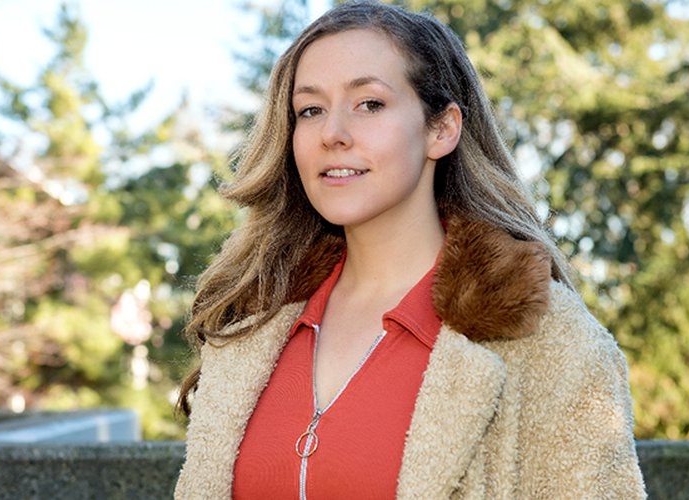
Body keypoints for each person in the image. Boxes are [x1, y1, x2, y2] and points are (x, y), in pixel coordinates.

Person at [174, 1, 645, 498]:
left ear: (442, 129)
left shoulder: (552, 341)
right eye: (310, 110)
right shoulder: (251, 322)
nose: (332, 134)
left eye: (369, 104)